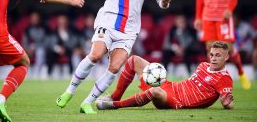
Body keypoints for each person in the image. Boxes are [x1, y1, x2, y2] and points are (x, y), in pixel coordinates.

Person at [56, 0, 174, 114]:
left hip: (129, 31)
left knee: (114, 67)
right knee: (95, 56)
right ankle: (69, 92)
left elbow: (161, 2)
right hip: (108, 23)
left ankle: (87, 102)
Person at [96, 41, 234, 110]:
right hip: (170, 86)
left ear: (226, 56)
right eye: (212, 55)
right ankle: (114, 96)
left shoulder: (224, 78)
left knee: (155, 91)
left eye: (218, 55)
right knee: (134, 60)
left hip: (176, 101)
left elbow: (228, 101)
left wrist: (227, 105)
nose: (214, 58)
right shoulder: (203, 65)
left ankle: (115, 105)